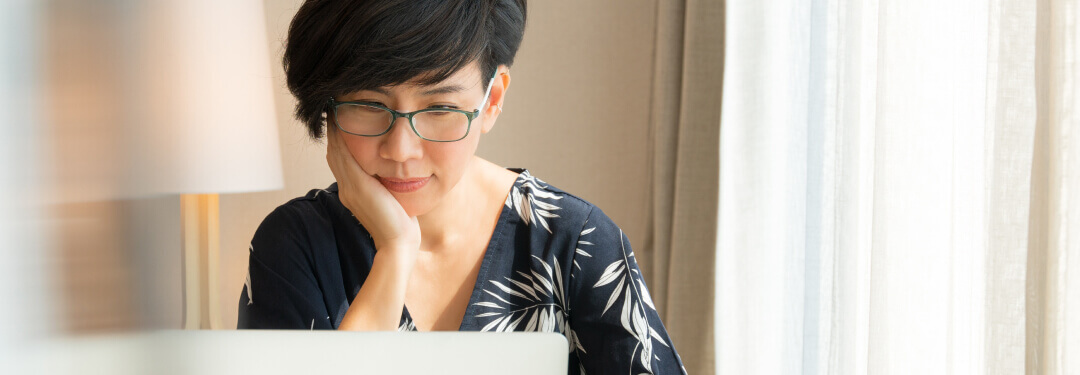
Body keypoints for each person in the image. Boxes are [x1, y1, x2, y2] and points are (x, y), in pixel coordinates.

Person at [237, 1, 687, 373]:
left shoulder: (574, 243)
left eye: (439, 108)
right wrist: (394, 251)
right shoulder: (292, 248)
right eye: (369, 104)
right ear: (329, 109)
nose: (401, 149)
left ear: (491, 101)